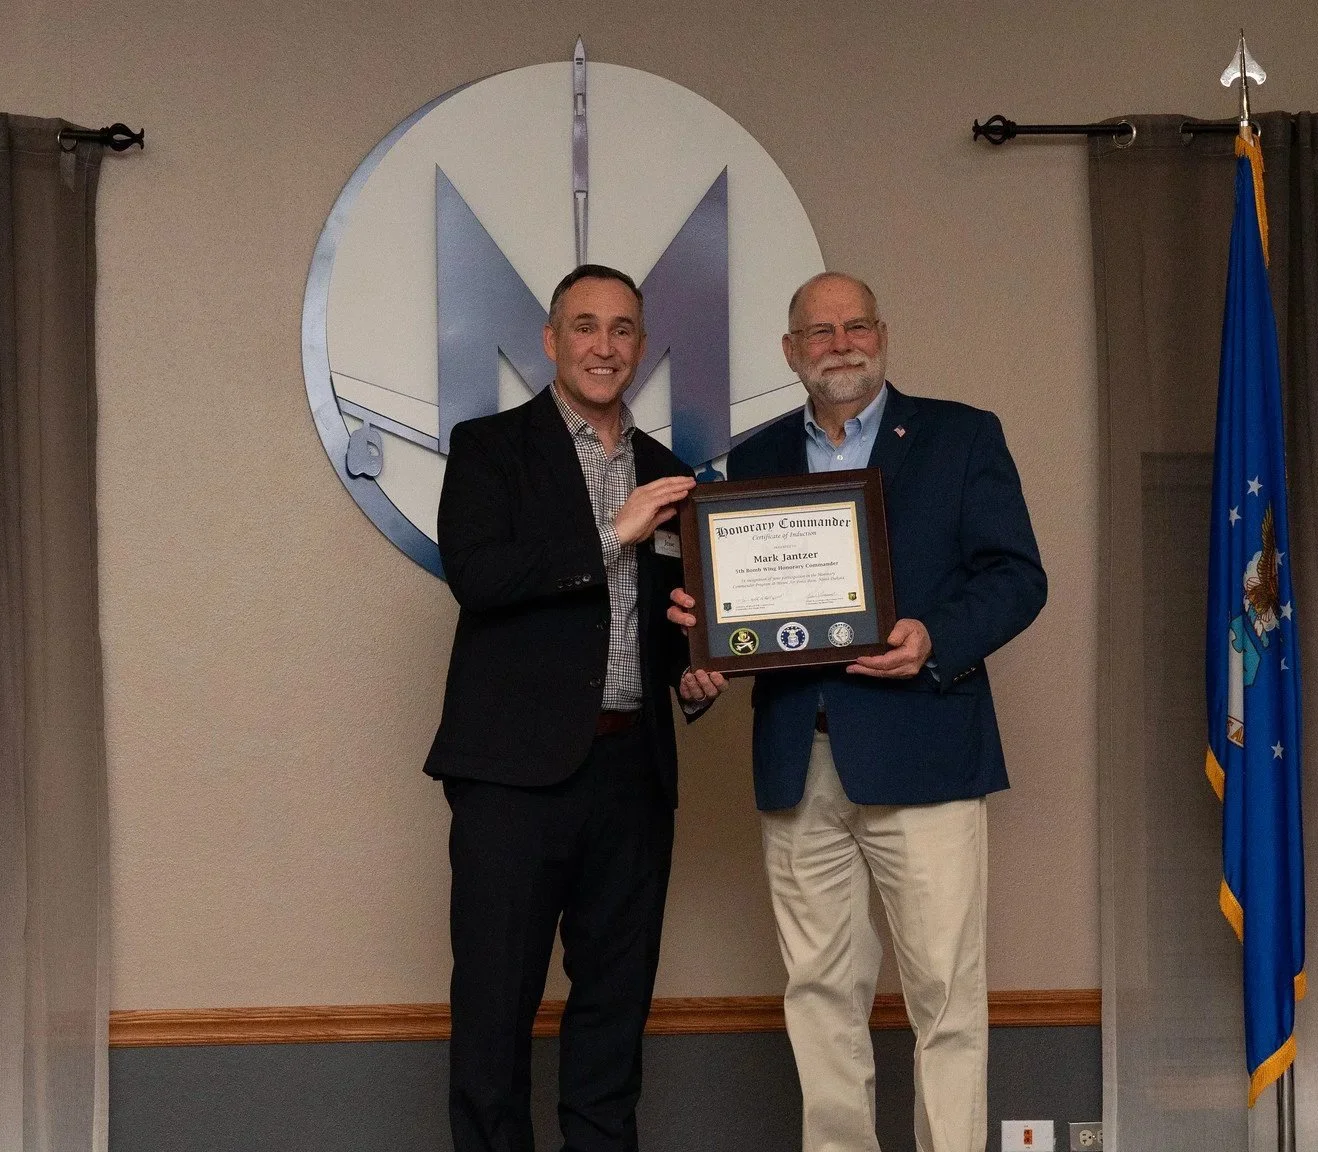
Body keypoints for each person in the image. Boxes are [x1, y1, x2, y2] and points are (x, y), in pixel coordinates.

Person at [670, 272, 1046, 1152]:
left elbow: (1019, 578)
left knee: (947, 998)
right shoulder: (751, 460)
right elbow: (728, 610)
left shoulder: (961, 436)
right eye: (820, 330)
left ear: (882, 334)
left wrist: (934, 639)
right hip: (802, 760)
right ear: (792, 352)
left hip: (925, 748)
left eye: (857, 325)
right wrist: (706, 647)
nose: (841, 342)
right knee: (818, 996)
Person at [426, 264, 727, 1152]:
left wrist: (695, 672)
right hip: (511, 780)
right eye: (586, 327)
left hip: (633, 772)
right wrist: (613, 533)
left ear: (642, 347)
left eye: (623, 329)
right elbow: (477, 579)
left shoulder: (672, 475)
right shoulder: (490, 449)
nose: (605, 346)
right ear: (552, 342)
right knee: (493, 1015)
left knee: (613, 1016)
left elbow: (671, 627)